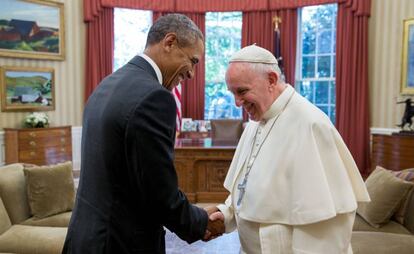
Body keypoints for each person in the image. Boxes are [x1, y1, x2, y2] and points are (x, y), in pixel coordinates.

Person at [63, 14, 223, 254]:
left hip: (85, 237)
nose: (191, 73)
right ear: (169, 42)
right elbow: (158, 192)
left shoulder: (107, 84)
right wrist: (198, 222)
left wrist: (194, 214)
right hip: (119, 244)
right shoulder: (154, 97)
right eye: (193, 61)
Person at [207, 44, 370, 254]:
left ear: (272, 80)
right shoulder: (255, 122)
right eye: (232, 93)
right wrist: (227, 213)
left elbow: (325, 224)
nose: (237, 102)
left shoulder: (311, 124)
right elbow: (247, 186)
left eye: (242, 91)